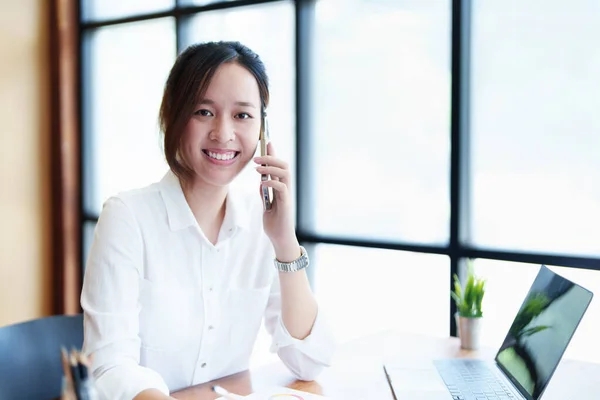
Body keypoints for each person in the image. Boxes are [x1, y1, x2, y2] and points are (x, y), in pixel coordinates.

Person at [81, 41, 335, 400]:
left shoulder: (260, 223)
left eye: (243, 115)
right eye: (204, 112)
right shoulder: (127, 218)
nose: (223, 133)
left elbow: (309, 363)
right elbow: (109, 367)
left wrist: (284, 242)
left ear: (263, 131)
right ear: (172, 116)